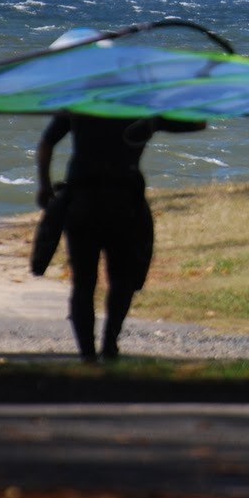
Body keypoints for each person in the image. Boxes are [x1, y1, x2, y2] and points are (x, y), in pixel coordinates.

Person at [35, 111, 204, 362]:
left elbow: (46, 144)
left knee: (83, 282)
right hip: (125, 205)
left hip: (82, 204)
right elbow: (198, 122)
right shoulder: (142, 112)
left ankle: (87, 354)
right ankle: (110, 345)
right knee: (122, 279)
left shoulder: (81, 107)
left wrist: (45, 186)